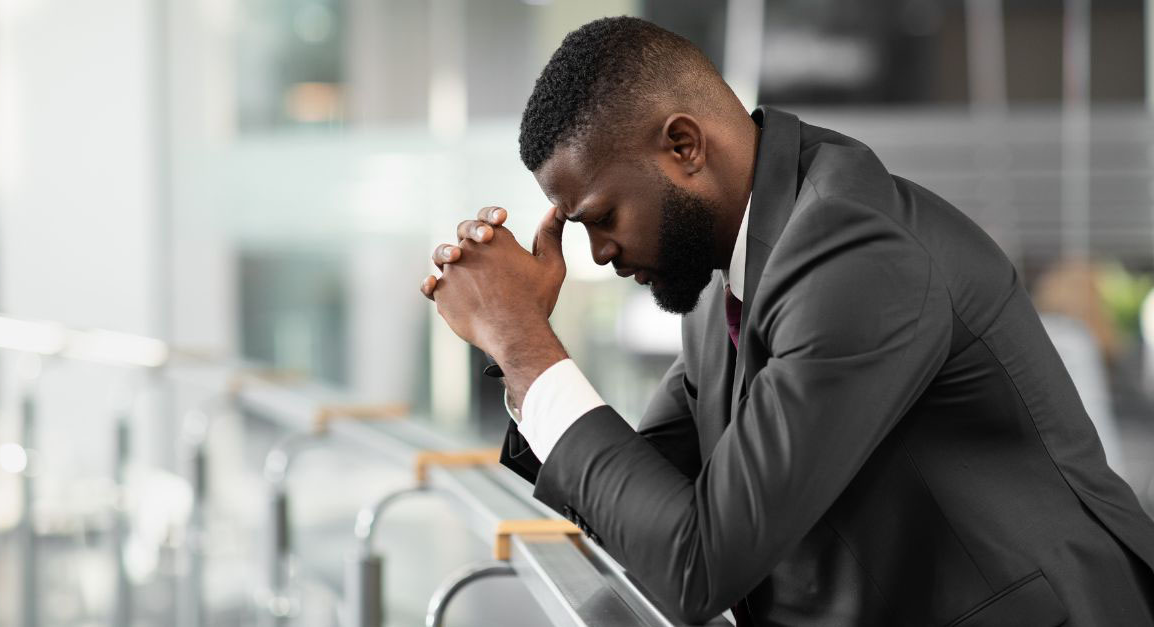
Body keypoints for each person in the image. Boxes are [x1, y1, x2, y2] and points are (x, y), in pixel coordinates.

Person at [420, 16, 1154, 626]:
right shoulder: (723, 287)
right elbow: (643, 507)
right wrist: (522, 349)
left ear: (683, 146)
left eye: (603, 217)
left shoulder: (855, 257)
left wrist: (523, 343)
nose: (600, 252)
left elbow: (694, 560)